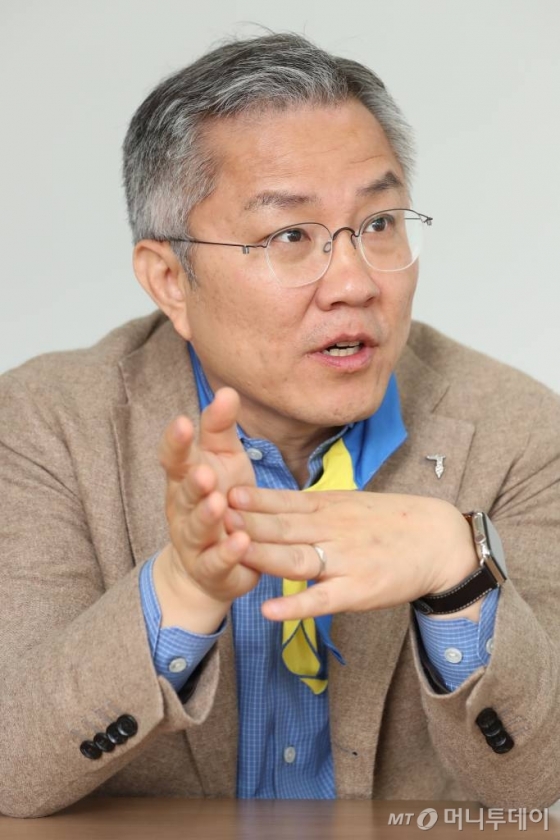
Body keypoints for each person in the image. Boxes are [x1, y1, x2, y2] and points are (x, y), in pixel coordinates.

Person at [1, 32, 559, 819]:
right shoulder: (43, 425)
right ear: (170, 279)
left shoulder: (520, 431)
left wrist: (457, 573)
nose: (354, 282)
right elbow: (12, 771)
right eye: (290, 236)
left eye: (380, 223)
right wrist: (183, 587)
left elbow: (542, 788)